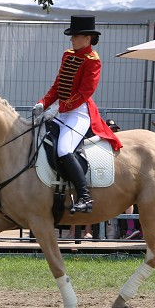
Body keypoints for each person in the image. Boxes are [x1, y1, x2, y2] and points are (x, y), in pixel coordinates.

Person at [35, 15, 123, 214]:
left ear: (88, 38)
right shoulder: (68, 55)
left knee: (64, 150)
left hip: (78, 113)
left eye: (75, 36)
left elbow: (84, 93)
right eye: (72, 36)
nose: (72, 39)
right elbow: (58, 85)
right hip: (60, 111)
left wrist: (58, 108)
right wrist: (43, 103)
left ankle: (85, 197)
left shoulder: (93, 60)